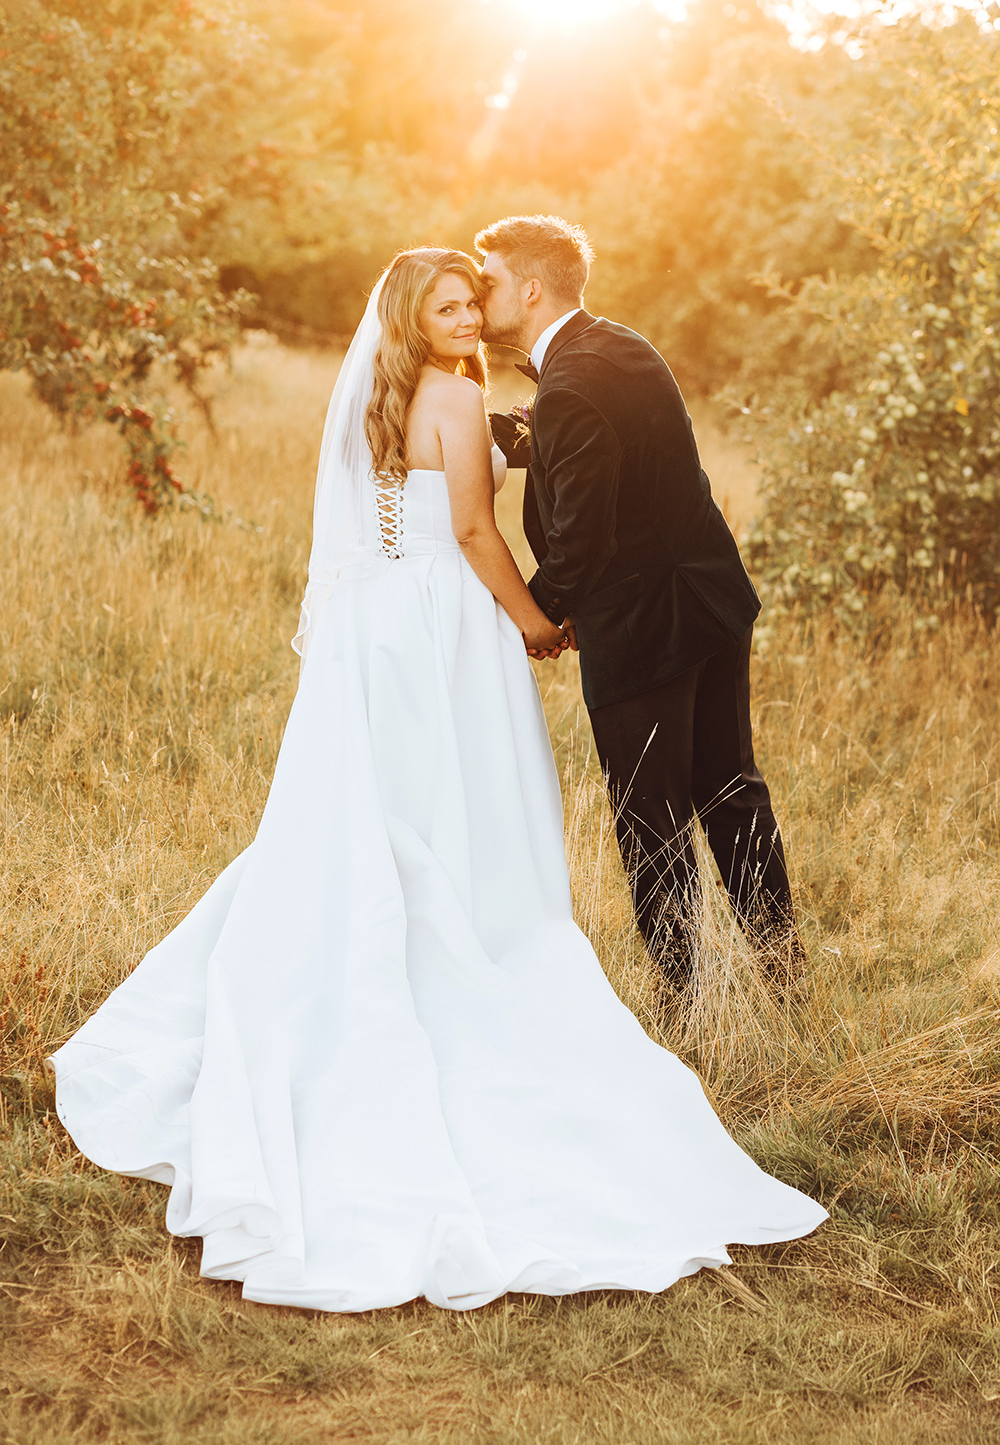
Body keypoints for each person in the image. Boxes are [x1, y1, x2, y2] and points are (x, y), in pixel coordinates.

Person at [49, 247, 825, 1315]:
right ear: (418, 317)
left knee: (375, 807)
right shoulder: (458, 395)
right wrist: (536, 620)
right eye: (451, 305)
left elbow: (405, 510)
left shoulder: (379, 391)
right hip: (449, 624)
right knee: (465, 804)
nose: (469, 318)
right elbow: (468, 527)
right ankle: (474, 934)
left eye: (475, 300)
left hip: (378, 629)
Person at [478, 215, 803, 996]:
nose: (479, 295)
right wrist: (516, 435)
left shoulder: (572, 384)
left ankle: (682, 994)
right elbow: (612, 450)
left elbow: (582, 540)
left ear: (529, 288)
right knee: (730, 788)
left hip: (643, 623)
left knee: (649, 814)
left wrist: (538, 616)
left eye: (487, 282)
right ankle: (783, 968)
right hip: (710, 600)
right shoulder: (620, 346)